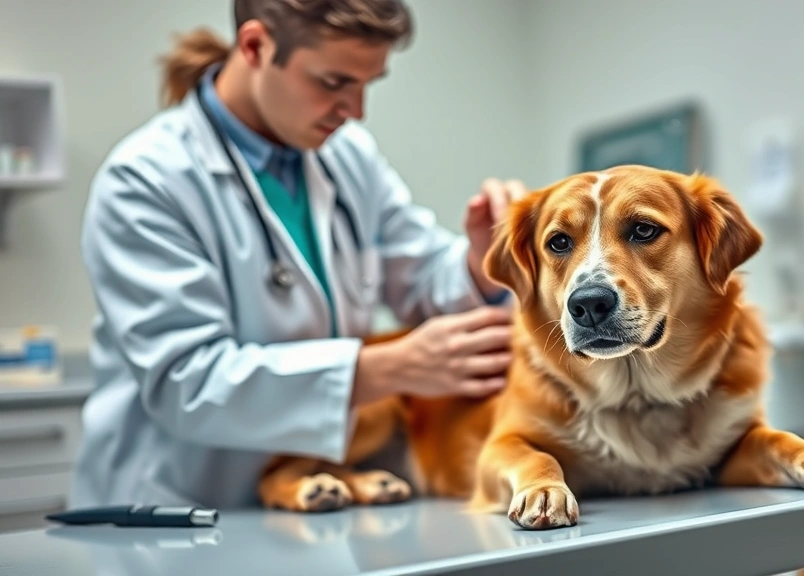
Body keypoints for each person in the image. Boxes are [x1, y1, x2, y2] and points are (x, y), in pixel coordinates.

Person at [70, 0, 527, 508]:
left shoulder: (348, 157)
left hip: (312, 497)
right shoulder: (146, 180)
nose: (355, 111)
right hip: (176, 503)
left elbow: (420, 278)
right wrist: (385, 370)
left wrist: (482, 261)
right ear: (255, 46)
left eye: (366, 85)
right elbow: (189, 381)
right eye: (334, 83)